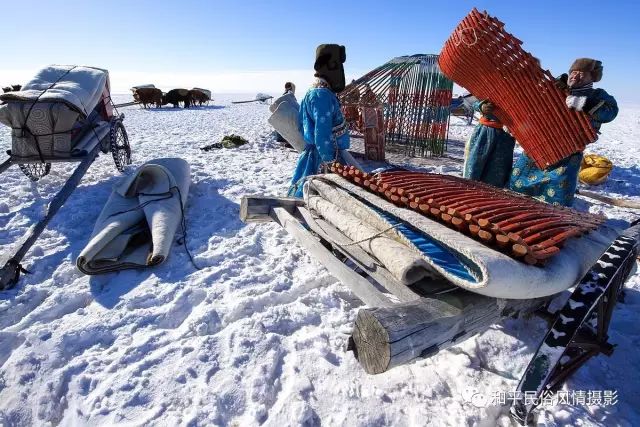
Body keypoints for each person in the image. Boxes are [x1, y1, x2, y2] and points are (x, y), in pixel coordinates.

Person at [509, 58, 618, 206]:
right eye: (573, 72)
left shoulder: (597, 95)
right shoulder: (557, 86)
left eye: (581, 73)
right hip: (540, 143)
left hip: (569, 150)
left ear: (592, 77)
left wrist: (583, 103)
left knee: (558, 196)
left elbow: (611, 112)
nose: (575, 75)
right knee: (517, 184)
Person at [288, 44, 349, 197]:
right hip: (324, 158)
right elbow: (321, 134)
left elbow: (302, 126)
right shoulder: (322, 96)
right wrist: (330, 163)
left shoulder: (311, 92)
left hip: (314, 155)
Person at [462, 100, 516, 187]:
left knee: (496, 171)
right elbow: (473, 102)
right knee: (474, 164)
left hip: (501, 138)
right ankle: (470, 190)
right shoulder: (489, 92)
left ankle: (489, 194)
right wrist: (481, 106)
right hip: (482, 134)